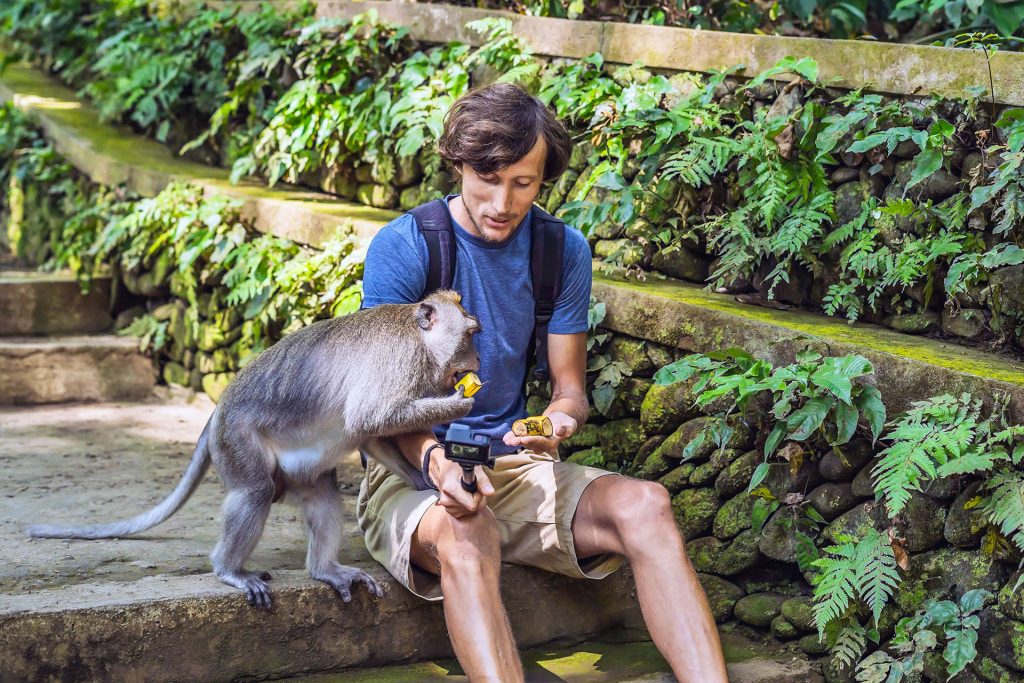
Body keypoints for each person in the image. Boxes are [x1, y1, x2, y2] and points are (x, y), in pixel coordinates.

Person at [357, 82, 728, 682]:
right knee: (465, 524)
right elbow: (383, 408)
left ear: (542, 179)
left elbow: (570, 388)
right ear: (458, 163)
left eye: (522, 183)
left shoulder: (560, 251)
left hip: (516, 467)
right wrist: (438, 466)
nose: (503, 201)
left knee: (648, 505)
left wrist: (559, 419)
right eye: (488, 177)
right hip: (411, 471)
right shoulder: (406, 248)